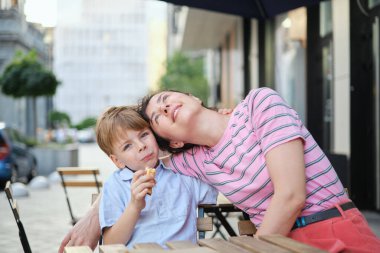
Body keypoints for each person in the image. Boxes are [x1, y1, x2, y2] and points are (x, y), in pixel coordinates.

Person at [138, 87, 380, 253]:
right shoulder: (195, 161)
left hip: (330, 230)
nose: (165, 108)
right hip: (278, 244)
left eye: (165, 99)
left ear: (193, 97)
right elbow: (136, 148)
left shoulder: (259, 104)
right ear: (174, 143)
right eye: (158, 118)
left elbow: (291, 196)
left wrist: (256, 248)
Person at [59, 106, 217, 251]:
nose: (141, 145)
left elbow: (218, 176)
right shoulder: (116, 185)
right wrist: (134, 206)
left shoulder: (182, 174)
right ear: (117, 161)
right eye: (127, 146)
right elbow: (110, 244)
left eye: (144, 135)